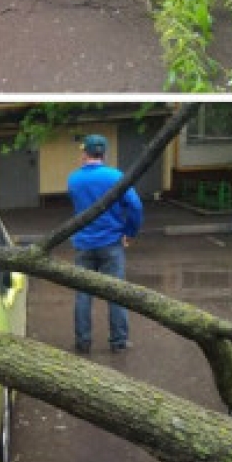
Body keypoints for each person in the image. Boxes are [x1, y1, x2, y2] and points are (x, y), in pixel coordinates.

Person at [67, 134, 143, 353]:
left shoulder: (74, 179)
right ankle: (118, 342)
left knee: (83, 294)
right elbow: (135, 206)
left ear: (84, 153)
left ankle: (83, 341)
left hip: (84, 244)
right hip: (111, 243)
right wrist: (130, 232)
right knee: (116, 293)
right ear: (104, 153)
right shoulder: (116, 176)